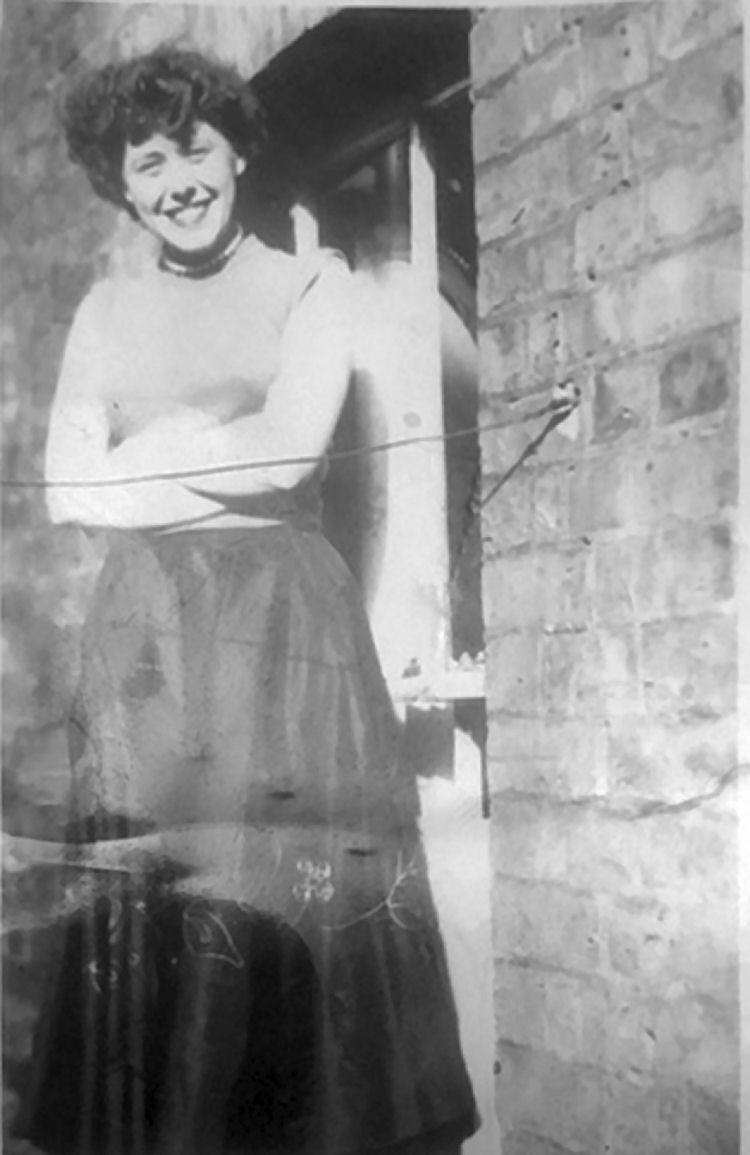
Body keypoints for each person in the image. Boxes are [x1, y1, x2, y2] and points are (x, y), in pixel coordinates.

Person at [15, 46, 477, 1155]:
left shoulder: (311, 283)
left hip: (281, 634)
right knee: (164, 886)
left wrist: (152, 451)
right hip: (149, 647)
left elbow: (290, 455)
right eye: (149, 163)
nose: (178, 181)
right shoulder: (104, 311)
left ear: (234, 155)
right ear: (122, 185)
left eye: (195, 151)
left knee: (284, 883)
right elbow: (69, 486)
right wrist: (218, 447)